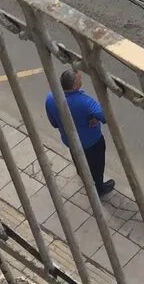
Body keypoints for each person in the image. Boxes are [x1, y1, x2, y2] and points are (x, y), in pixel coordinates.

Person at [44, 68, 116, 197]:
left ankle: (82, 175)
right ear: (75, 86)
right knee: (96, 166)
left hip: (70, 140)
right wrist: (95, 118)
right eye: (79, 79)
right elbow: (106, 117)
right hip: (92, 142)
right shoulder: (85, 102)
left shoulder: (50, 98)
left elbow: (54, 123)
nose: (81, 80)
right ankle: (98, 188)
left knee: (79, 160)